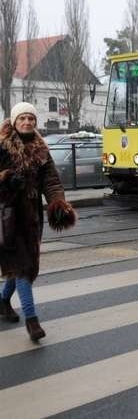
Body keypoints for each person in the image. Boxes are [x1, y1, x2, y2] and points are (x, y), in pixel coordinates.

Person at [0, 102, 76, 341]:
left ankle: (2, 301)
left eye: (31, 119)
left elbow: (52, 181)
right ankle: (32, 321)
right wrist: (6, 179)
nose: (27, 122)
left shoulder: (41, 148)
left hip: (32, 217)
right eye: (22, 118)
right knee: (24, 269)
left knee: (21, 264)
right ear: (14, 121)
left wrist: (58, 203)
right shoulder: (2, 147)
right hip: (8, 217)